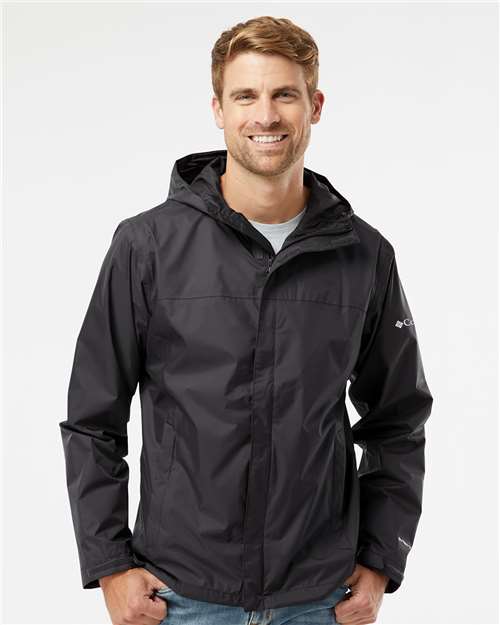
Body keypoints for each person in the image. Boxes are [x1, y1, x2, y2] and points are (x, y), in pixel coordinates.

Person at [59, 15, 433, 625]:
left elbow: (398, 419)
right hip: (179, 596)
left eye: (284, 94)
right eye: (245, 96)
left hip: (320, 598)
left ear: (314, 106)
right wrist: (109, 566)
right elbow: (92, 419)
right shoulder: (147, 246)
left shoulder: (365, 256)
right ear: (218, 109)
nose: (266, 115)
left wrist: (381, 559)